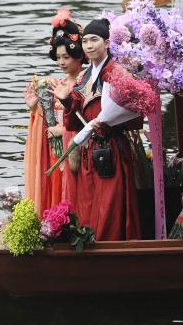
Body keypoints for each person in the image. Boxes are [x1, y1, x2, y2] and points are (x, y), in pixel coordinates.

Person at [55, 18, 144, 241]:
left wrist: (104, 123)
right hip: (89, 149)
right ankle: (88, 242)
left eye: (94, 40)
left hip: (111, 147)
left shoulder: (117, 73)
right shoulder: (85, 76)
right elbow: (74, 121)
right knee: (89, 201)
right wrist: (66, 102)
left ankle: (109, 246)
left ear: (107, 42)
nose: (89, 46)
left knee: (110, 205)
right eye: (85, 41)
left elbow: (134, 114)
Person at [23, 10, 87, 215]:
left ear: (79, 55)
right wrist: (35, 108)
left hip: (77, 146)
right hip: (56, 148)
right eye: (58, 57)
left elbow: (90, 116)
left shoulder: (86, 81)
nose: (61, 62)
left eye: (66, 57)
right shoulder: (55, 84)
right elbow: (48, 119)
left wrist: (64, 129)